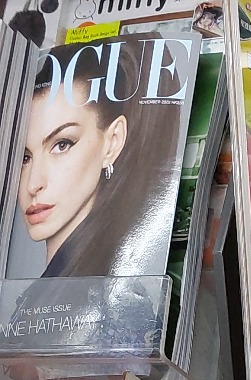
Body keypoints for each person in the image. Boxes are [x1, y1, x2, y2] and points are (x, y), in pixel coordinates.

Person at [2, 34, 197, 354]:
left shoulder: (113, 302)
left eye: (62, 144)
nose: (33, 183)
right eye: (24, 157)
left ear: (113, 141)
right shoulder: (49, 293)